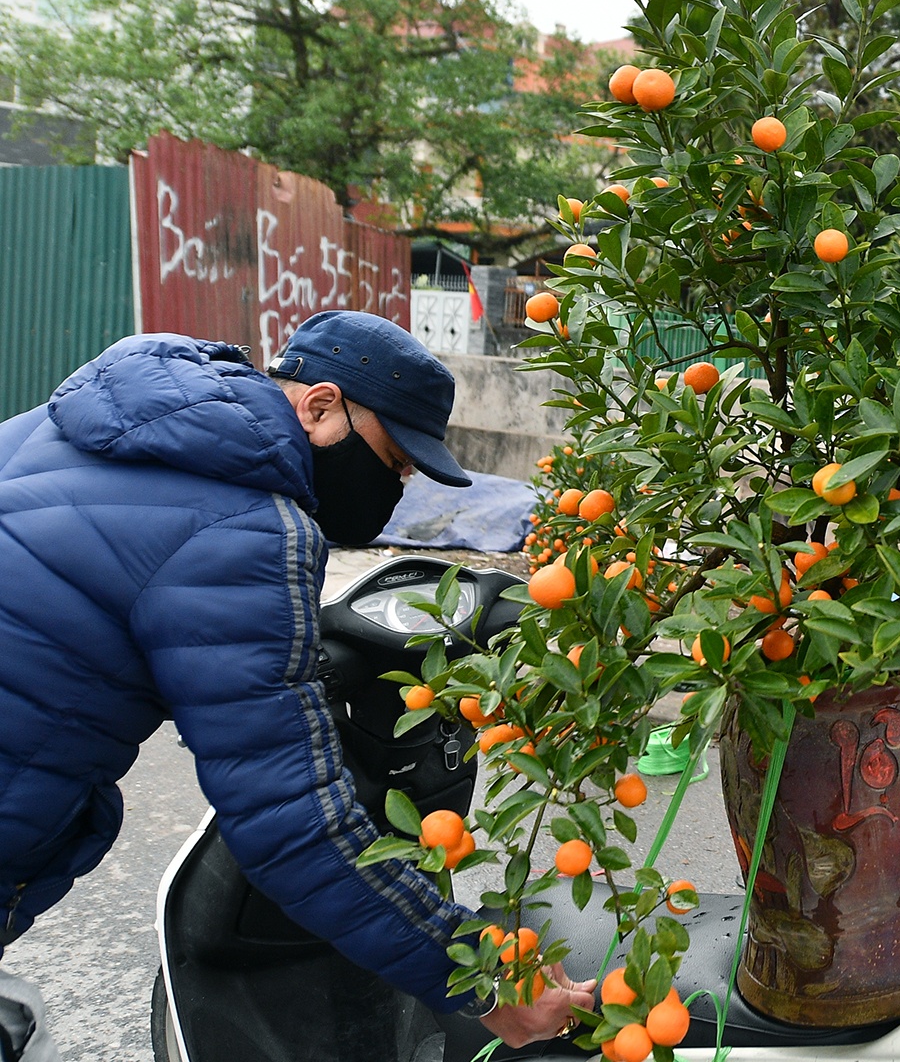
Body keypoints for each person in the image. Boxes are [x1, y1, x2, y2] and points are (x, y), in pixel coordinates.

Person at [0, 313, 591, 1057]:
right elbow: (291, 822)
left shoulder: (68, 422)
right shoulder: (249, 528)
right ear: (319, 406)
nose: (393, 488)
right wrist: (481, 978)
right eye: (393, 463)